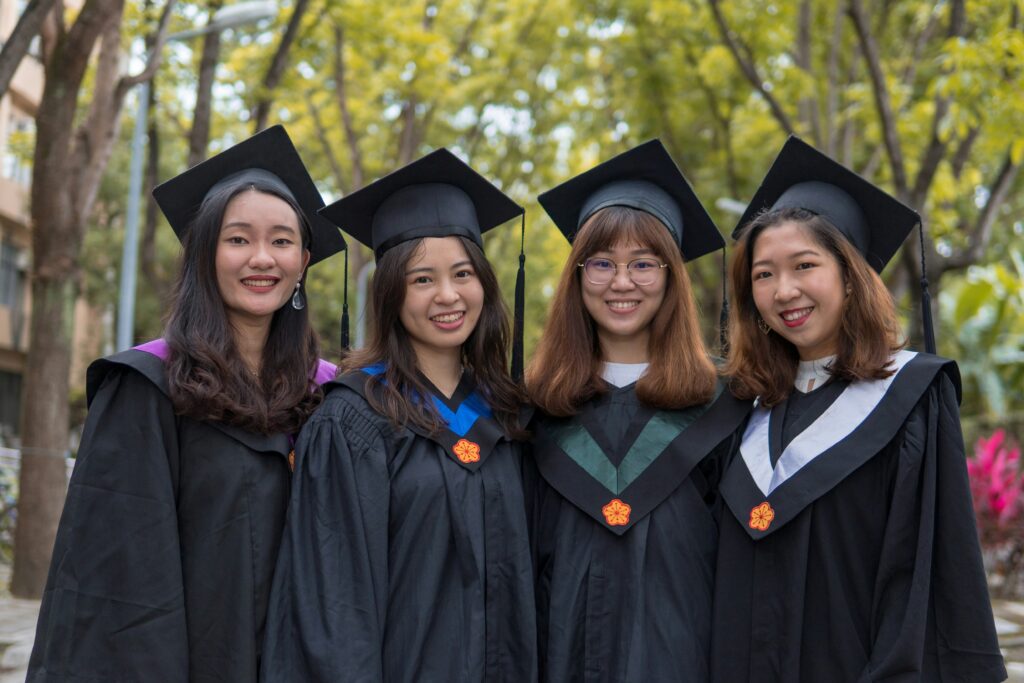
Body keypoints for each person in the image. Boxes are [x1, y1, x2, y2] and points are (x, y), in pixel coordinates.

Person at [28, 125, 346, 682]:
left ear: (303, 259)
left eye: (281, 240)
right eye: (238, 238)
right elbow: (119, 580)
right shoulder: (148, 388)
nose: (261, 258)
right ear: (205, 253)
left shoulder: (328, 395)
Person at [711, 136, 1006, 682]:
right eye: (763, 274)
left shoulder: (912, 395)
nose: (784, 291)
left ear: (849, 275)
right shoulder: (739, 411)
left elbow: (935, 573)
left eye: (804, 265)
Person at [261, 148, 537, 682]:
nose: (449, 295)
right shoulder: (352, 421)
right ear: (390, 293)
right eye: (422, 280)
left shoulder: (508, 415)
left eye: (462, 273)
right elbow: (333, 609)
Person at [525, 140, 751, 682]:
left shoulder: (728, 404)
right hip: (560, 656)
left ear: (672, 276)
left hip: (686, 656)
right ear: (577, 277)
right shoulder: (532, 409)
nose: (621, 283)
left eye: (643, 264)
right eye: (601, 263)